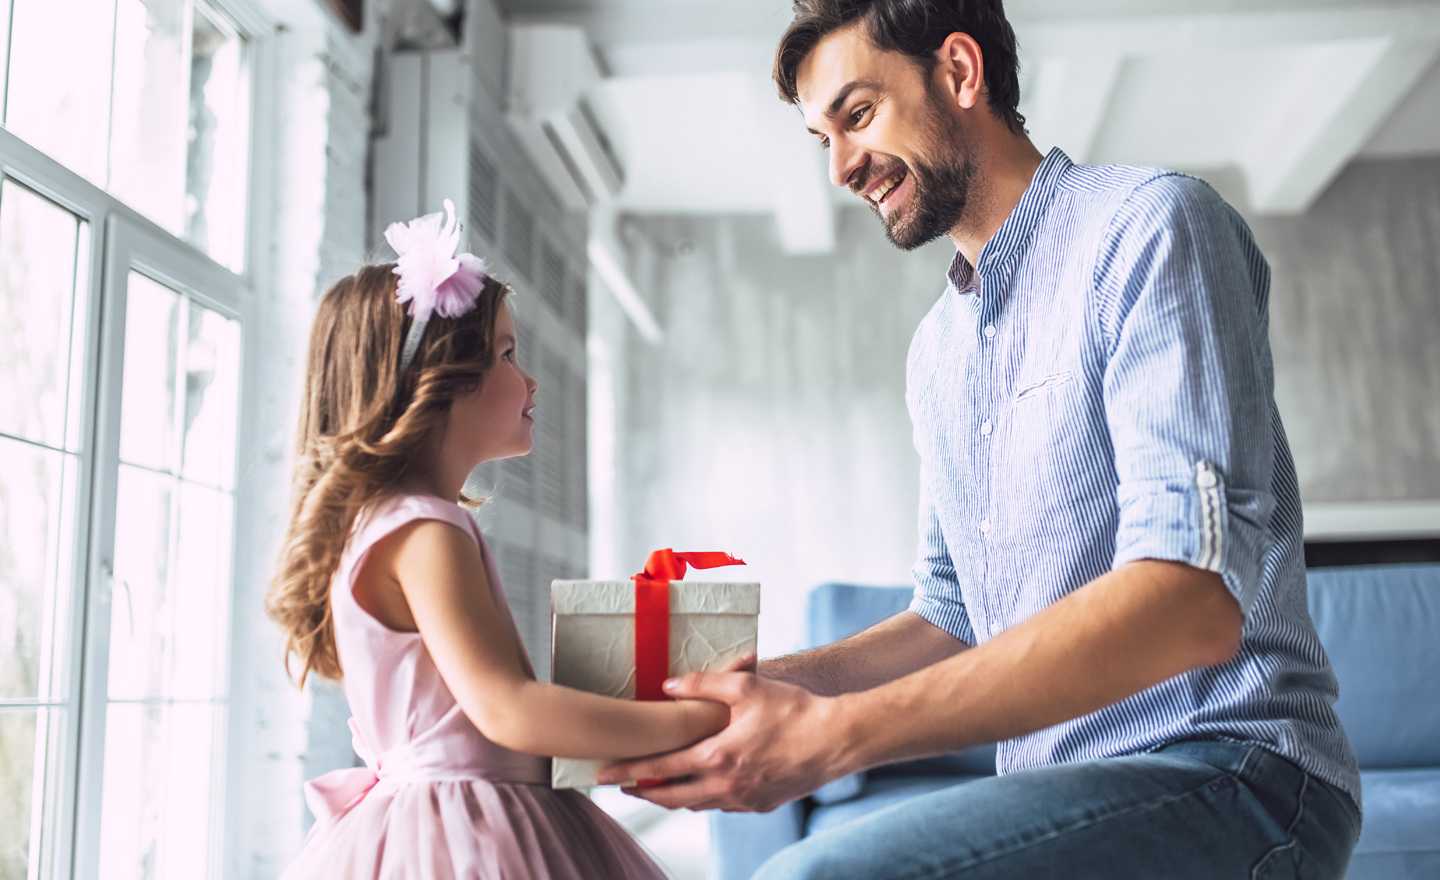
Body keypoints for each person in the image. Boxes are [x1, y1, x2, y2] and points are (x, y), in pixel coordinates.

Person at [600, 1, 1363, 877]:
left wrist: (839, 736)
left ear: (961, 73)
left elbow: (1190, 598)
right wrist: (775, 689)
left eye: (858, 115)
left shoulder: (1150, 227)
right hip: (1062, 789)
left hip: (1235, 770)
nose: (843, 168)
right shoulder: (938, 351)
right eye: (825, 140)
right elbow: (955, 614)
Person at [265, 201, 725, 879]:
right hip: (468, 834)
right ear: (438, 383)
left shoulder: (388, 524)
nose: (531, 380)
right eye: (508, 354)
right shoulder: (426, 531)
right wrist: (695, 722)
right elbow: (509, 708)